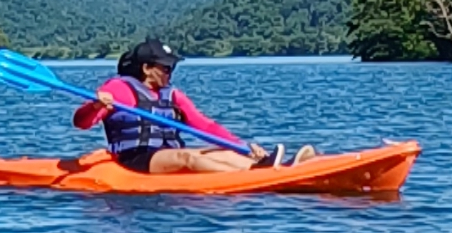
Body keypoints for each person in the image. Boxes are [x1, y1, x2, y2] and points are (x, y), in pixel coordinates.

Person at [71, 39, 315, 175]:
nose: (170, 72)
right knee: (187, 156)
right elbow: (81, 122)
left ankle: (267, 166)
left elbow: (205, 125)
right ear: (146, 68)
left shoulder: (172, 94)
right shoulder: (120, 88)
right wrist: (95, 105)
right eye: (166, 67)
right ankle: (256, 173)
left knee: (219, 153)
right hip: (136, 159)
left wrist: (243, 147)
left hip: (163, 154)